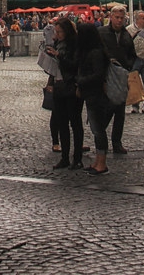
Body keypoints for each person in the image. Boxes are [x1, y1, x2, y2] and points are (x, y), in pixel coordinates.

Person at [74, 22, 112, 175]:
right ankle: (98, 160)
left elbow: (98, 75)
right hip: (91, 94)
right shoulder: (92, 51)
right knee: (96, 129)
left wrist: (80, 81)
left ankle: (102, 163)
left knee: (98, 130)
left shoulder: (95, 53)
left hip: (96, 95)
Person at [46, 17, 84, 170]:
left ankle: (77, 158)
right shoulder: (58, 43)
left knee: (75, 123)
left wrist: (58, 56)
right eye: (56, 31)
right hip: (59, 85)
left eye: (60, 31)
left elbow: (74, 65)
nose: (58, 34)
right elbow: (56, 65)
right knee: (62, 123)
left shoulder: (75, 44)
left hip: (71, 85)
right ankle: (64, 157)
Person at [98, 4, 135, 153]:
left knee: (120, 111)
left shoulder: (126, 35)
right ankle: (100, 139)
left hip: (121, 75)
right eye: (117, 17)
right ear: (111, 17)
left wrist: (128, 66)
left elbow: (132, 55)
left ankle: (117, 142)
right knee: (107, 109)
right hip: (106, 75)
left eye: (121, 18)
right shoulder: (101, 32)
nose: (119, 20)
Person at [127, 11, 144, 114]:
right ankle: (135, 105)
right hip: (135, 59)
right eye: (143, 18)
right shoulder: (129, 29)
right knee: (134, 83)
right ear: (137, 19)